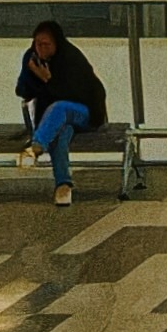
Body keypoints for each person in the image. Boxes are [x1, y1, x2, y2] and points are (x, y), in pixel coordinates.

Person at [16, 18, 112, 199]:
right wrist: (34, 75)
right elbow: (21, 91)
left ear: (56, 43)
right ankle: (63, 186)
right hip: (52, 121)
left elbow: (74, 94)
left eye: (46, 44)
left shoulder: (71, 57)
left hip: (86, 113)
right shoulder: (32, 59)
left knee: (60, 107)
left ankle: (36, 147)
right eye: (38, 44)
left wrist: (48, 80)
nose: (41, 48)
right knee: (61, 133)